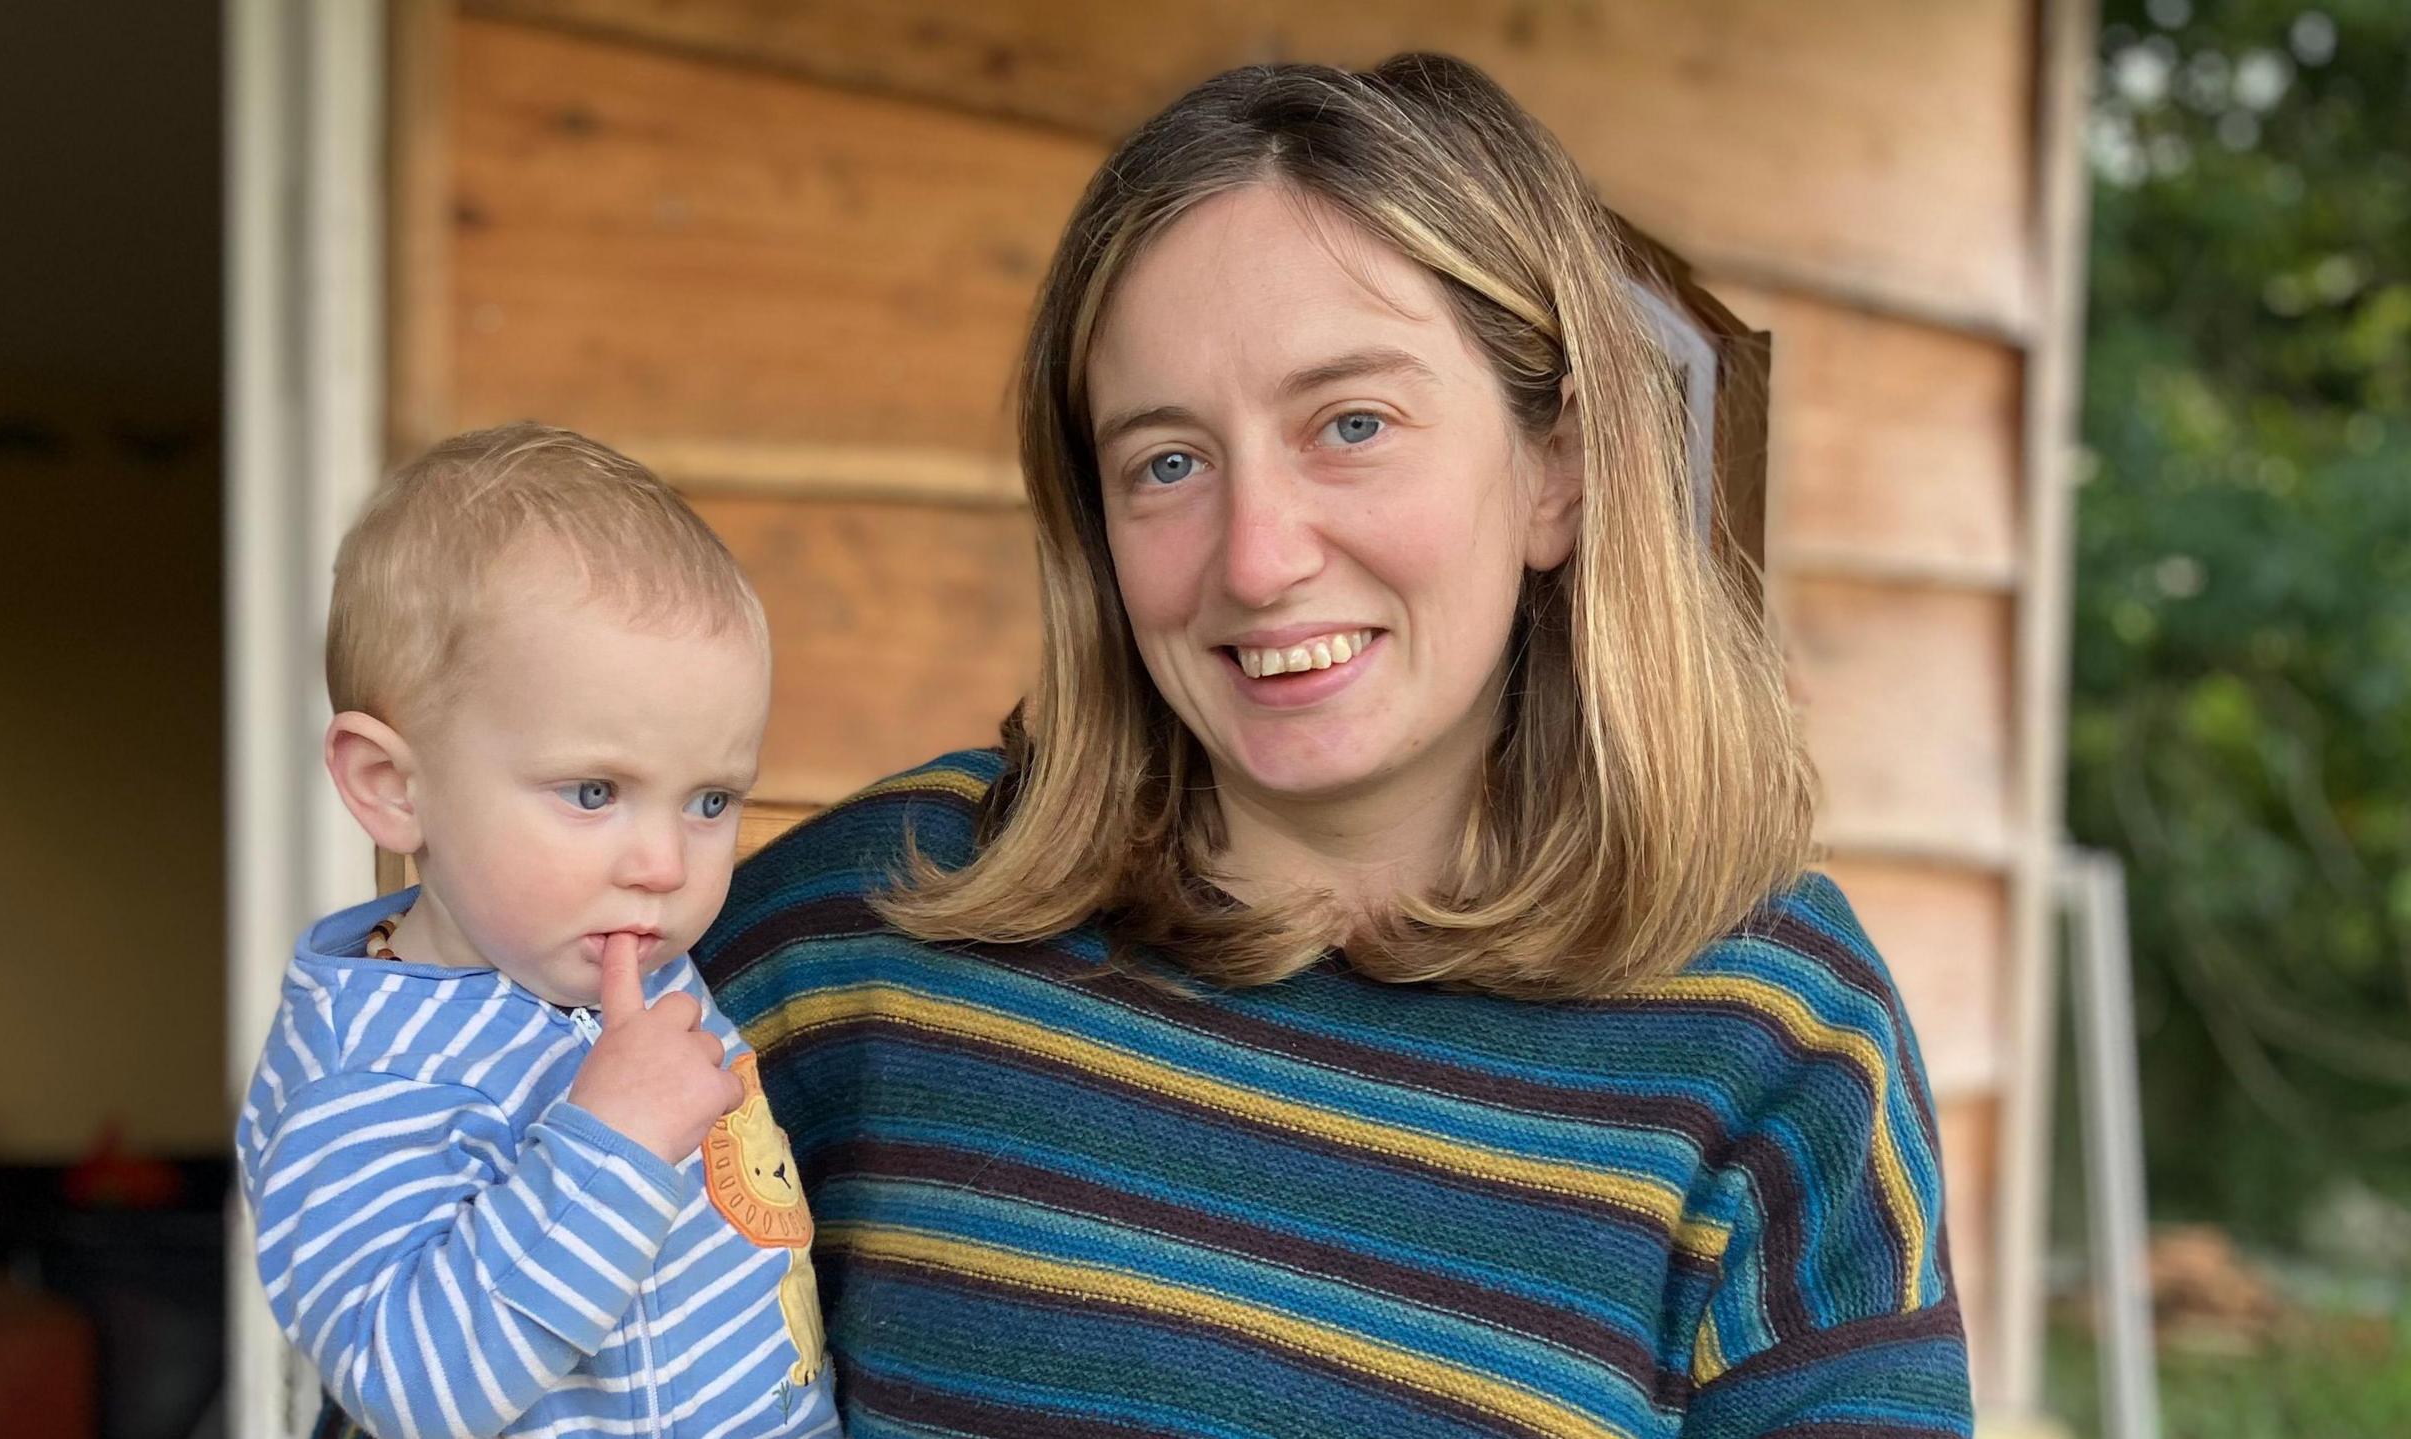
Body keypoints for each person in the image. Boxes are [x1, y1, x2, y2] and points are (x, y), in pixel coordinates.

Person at [319, 52, 1972, 1439]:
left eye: (1352, 422)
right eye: (1166, 462)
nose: (1257, 555)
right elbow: (427, 1355)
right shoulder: (850, 946)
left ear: (1555, 469)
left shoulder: (1776, 1041)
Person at [239, 424, 838, 1439]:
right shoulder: (369, 1078)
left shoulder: (630, 952)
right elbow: (409, 1384)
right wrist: (611, 1140)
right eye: (594, 790)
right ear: (394, 786)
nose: (665, 859)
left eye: (710, 799)